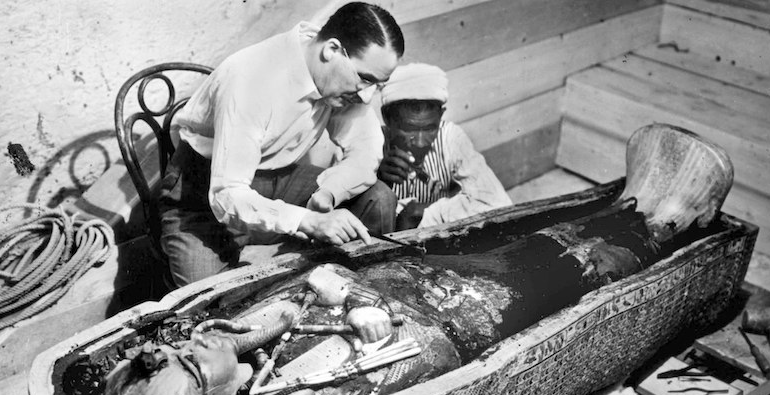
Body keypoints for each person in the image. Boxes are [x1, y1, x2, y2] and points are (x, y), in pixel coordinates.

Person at [159, 3, 404, 287]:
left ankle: (368, 293)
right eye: (365, 79)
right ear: (332, 50)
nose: (367, 95)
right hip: (203, 195)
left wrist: (330, 192)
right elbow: (227, 195)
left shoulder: (339, 74)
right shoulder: (251, 79)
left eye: (378, 84)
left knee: (378, 198)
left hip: (277, 181)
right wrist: (308, 220)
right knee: (213, 301)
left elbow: (365, 149)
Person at [377, 63, 513, 230]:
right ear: (387, 118)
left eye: (430, 128)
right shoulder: (372, 143)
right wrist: (377, 180)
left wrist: (421, 213)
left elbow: (497, 203)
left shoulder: (451, 137)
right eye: (408, 128)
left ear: (441, 115)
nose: (420, 142)